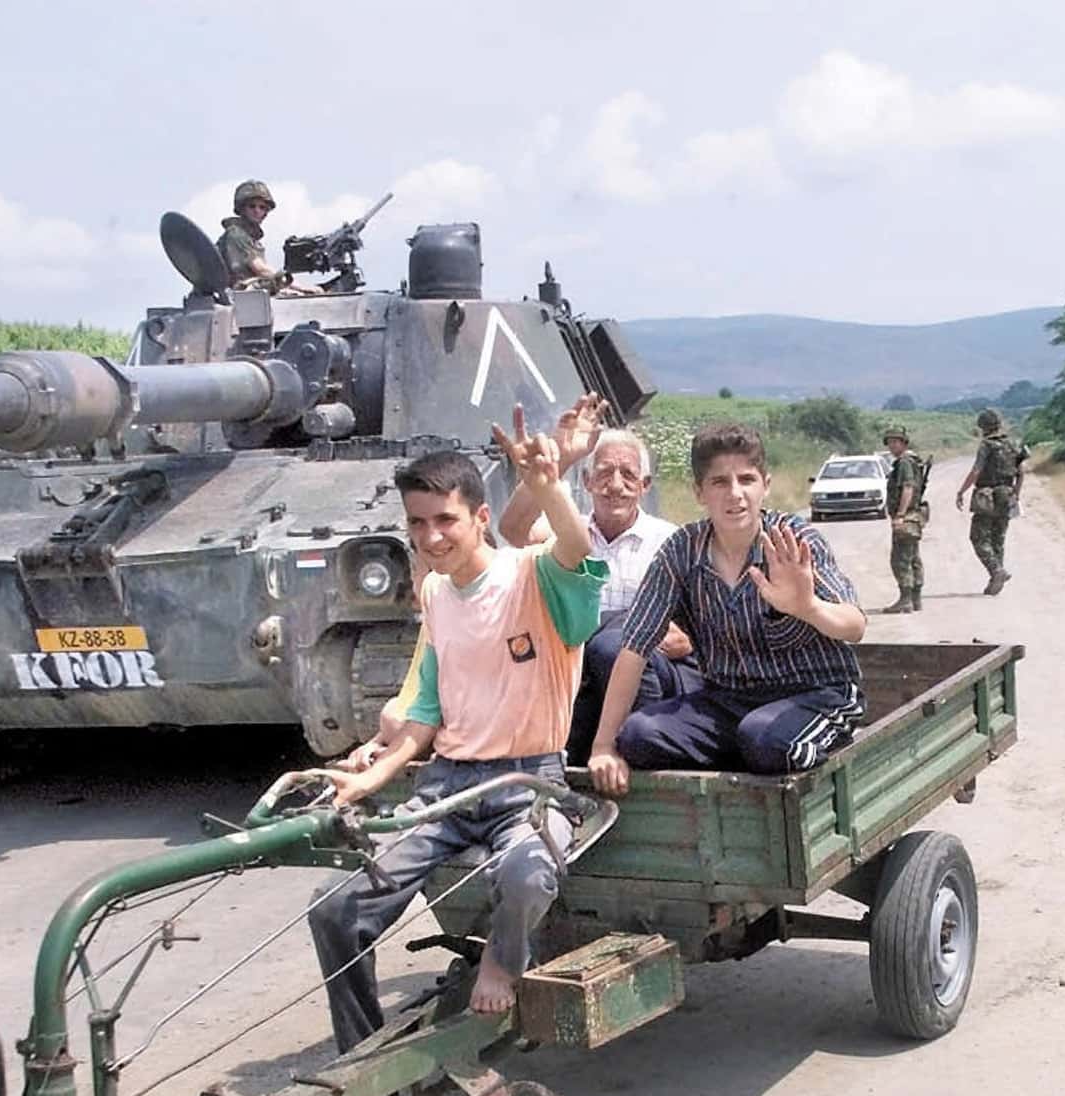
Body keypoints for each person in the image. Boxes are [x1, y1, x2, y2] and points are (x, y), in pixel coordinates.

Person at [306, 421, 608, 1051]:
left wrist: (548, 486)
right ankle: (360, 1052)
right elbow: (424, 712)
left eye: (444, 520)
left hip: (527, 781)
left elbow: (576, 547)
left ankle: (503, 959)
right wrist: (370, 777)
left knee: (527, 874)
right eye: (417, 524)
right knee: (334, 907)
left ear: (480, 517)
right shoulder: (437, 592)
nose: (430, 537)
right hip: (447, 788)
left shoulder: (533, 575)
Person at [586, 423, 868, 791]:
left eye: (746, 480)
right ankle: (754, 750)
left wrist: (808, 606)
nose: (735, 495)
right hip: (728, 702)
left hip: (816, 692)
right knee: (638, 735)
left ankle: (773, 746)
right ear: (699, 492)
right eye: (719, 482)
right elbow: (634, 648)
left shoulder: (793, 540)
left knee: (765, 739)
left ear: (765, 485)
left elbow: (855, 625)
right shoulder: (681, 551)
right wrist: (603, 746)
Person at [494, 397, 696, 758]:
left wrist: (686, 636)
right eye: (603, 473)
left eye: (628, 475)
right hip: (577, 677)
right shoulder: (568, 534)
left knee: (614, 643)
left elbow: (699, 630)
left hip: (649, 679)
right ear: (586, 481)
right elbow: (513, 528)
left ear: (645, 485)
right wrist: (560, 457)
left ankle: (637, 754)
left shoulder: (672, 541)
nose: (615, 485)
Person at [952, 407, 1027, 595]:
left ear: (982, 426)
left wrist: (961, 491)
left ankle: (996, 571)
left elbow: (976, 471)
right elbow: (1021, 472)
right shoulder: (1013, 444)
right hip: (1007, 493)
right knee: (998, 539)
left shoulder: (986, 445)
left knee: (978, 537)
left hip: (987, 495)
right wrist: (1016, 493)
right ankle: (996, 578)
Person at [881, 424, 931, 614]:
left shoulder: (904, 463)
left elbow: (908, 488)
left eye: (895, 442)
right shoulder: (912, 461)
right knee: (913, 558)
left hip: (907, 517)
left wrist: (900, 515)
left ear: (904, 443)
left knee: (901, 559)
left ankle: (906, 600)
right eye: (889, 443)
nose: (892, 446)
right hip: (914, 517)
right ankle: (915, 599)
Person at [217, 180, 295, 294]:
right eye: (252, 206)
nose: (257, 211)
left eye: (262, 207)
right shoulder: (235, 234)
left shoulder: (252, 241)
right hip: (235, 297)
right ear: (242, 209)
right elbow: (261, 269)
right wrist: (298, 286)